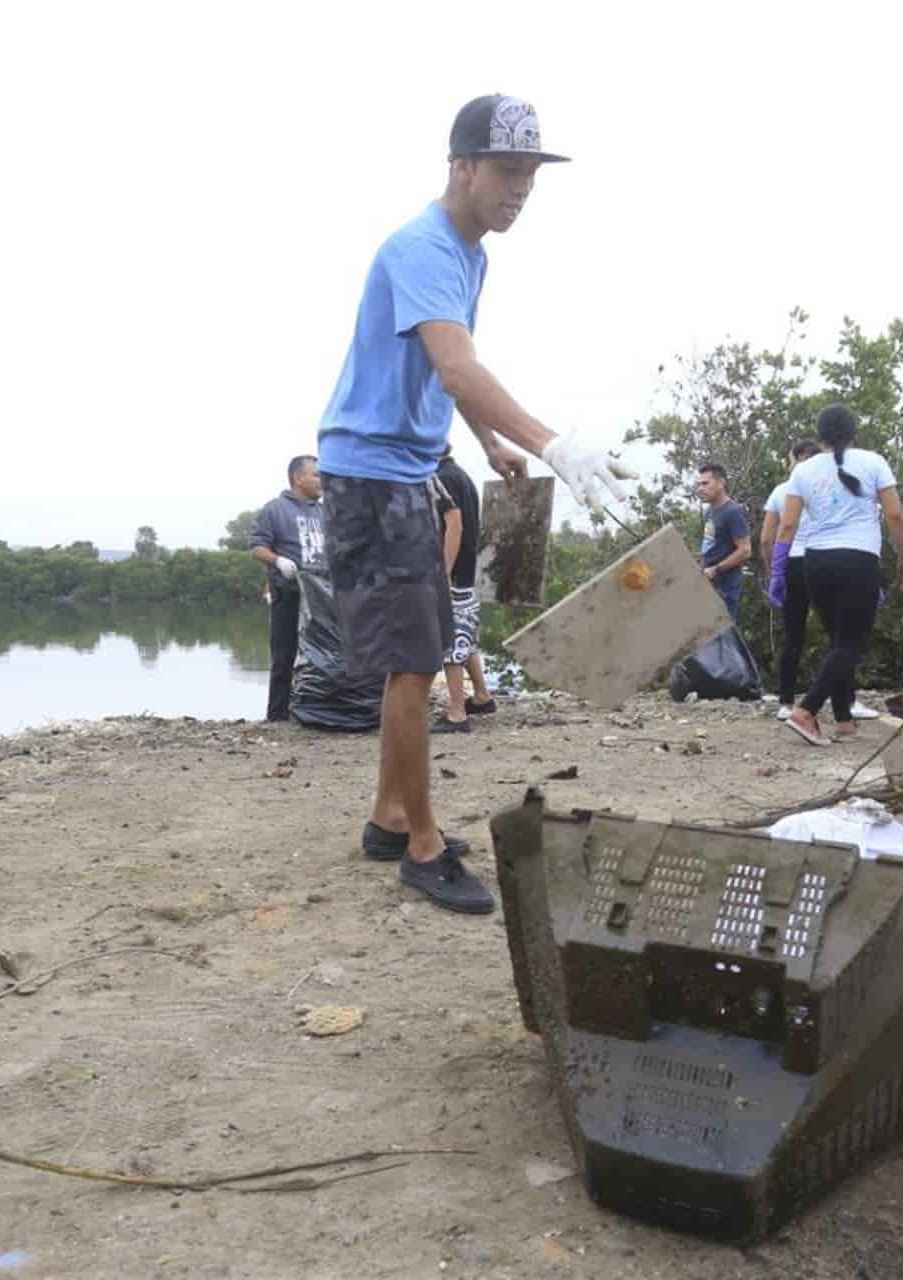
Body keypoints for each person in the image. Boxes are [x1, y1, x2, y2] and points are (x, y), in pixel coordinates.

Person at [316, 94, 635, 914]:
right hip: (374, 475)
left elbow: (442, 366)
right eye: (506, 170)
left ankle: (391, 817)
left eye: (530, 174)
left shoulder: (471, 254)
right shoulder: (423, 246)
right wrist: (548, 443)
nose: (520, 188)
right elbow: (456, 365)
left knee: (415, 659)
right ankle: (421, 849)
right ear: (461, 167)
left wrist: (487, 442)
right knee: (417, 662)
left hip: (406, 468)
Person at [771, 405, 903, 746]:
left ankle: (844, 722)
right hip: (858, 559)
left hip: (815, 562)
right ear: (854, 431)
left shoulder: (802, 472)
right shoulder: (873, 462)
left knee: (839, 641)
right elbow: (894, 515)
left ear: (819, 434)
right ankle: (806, 711)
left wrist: (778, 570)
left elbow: (787, 524)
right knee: (852, 643)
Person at [250, 455, 325, 722]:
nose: (322, 480)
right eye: (316, 474)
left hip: (321, 600)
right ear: (298, 478)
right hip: (288, 594)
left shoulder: (324, 511)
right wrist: (277, 561)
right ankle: (277, 716)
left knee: (322, 657)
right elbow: (257, 547)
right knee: (284, 657)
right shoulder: (275, 510)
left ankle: (314, 711)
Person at [433, 446, 496, 732]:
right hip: (467, 571)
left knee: (450, 641)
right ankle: (482, 696)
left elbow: (454, 526)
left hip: (453, 574)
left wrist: (444, 572)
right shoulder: (461, 475)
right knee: (465, 639)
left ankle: (457, 712)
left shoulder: (439, 477)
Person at [760, 439, 821, 706]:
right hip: (824, 560)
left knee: (793, 635)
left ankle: (785, 702)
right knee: (839, 635)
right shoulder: (827, 487)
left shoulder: (781, 491)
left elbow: (766, 539)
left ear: (795, 459)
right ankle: (848, 701)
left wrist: (776, 570)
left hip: (793, 563)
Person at [697, 461, 752, 616]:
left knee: (723, 634)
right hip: (709, 583)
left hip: (726, 586)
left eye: (705, 483)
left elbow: (745, 550)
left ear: (721, 483)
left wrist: (716, 569)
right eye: (699, 484)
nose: (700, 488)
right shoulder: (710, 511)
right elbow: (709, 544)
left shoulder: (733, 511)